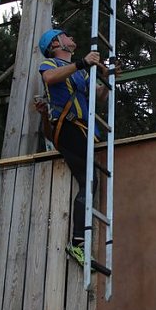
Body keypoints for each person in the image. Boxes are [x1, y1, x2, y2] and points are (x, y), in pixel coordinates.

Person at [37, 29, 107, 266]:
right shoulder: (50, 63)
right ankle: (77, 243)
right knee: (88, 179)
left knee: (89, 180)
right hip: (67, 127)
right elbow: (49, 78)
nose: (72, 37)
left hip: (81, 129)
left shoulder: (80, 74)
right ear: (56, 43)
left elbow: (98, 95)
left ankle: (78, 242)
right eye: (67, 35)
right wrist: (82, 62)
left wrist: (109, 79)